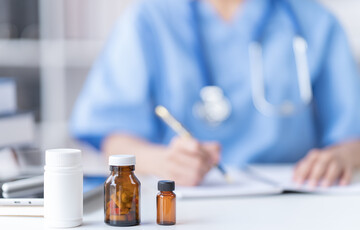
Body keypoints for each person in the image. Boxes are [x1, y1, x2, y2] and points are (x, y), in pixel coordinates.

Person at [70, 0, 360, 187]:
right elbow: (113, 134)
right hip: (182, 201)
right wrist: (161, 161)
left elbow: (352, 131)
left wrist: (342, 156)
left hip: (296, 196)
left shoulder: (315, 21)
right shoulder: (149, 18)